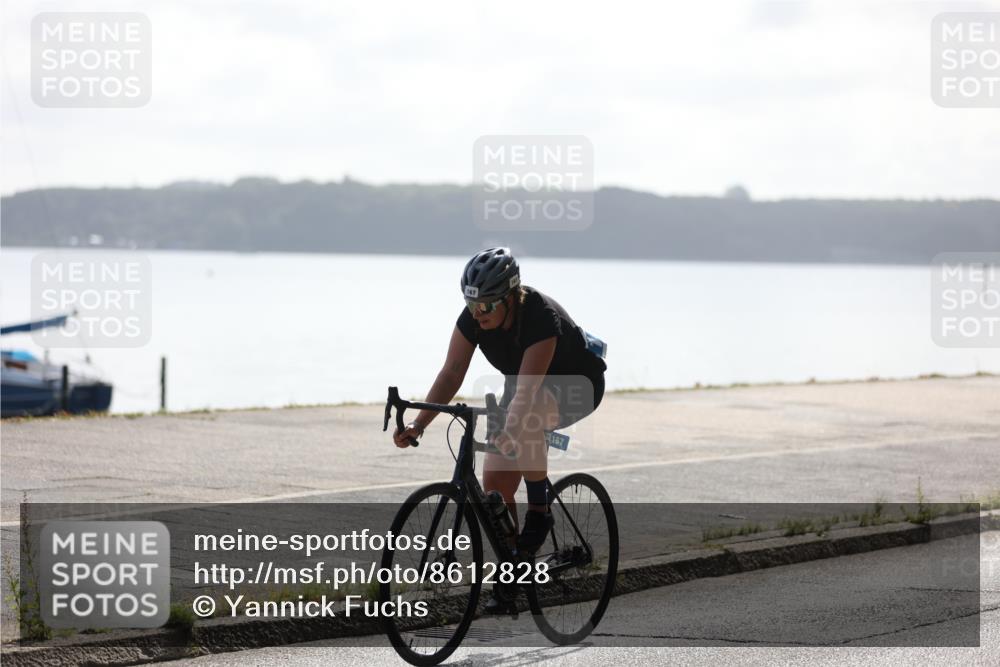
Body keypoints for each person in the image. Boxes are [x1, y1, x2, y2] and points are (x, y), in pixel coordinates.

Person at [392, 247, 606, 557]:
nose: (478, 313)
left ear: (511, 296)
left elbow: (527, 394)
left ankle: (539, 513)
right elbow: (451, 374)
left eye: (487, 305)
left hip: (576, 383)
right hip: (524, 385)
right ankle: (514, 571)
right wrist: (418, 423)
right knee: (495, 488)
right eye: (471, 303)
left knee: (525, 420)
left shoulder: (539, 316)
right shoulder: (474, 318)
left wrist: (512, 428)